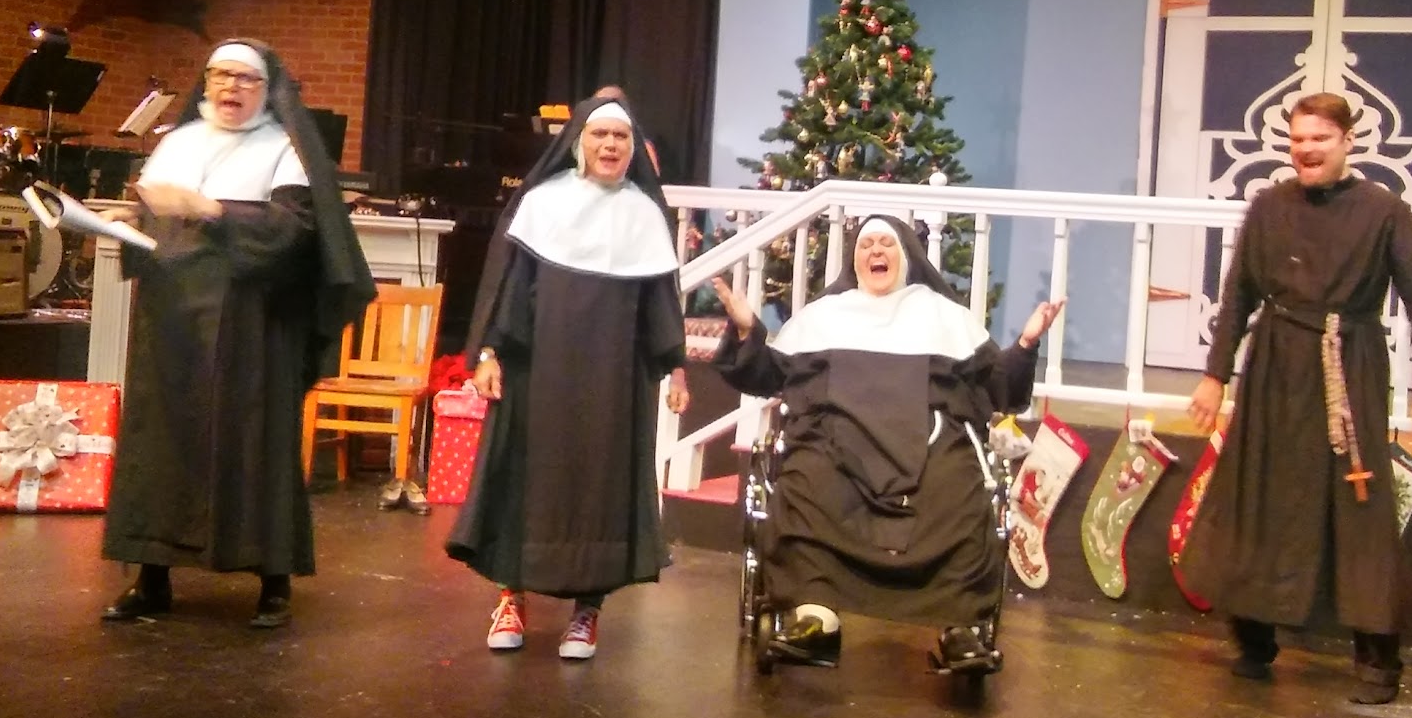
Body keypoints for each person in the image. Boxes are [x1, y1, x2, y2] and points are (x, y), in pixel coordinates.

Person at [1178, 91, 1412, 704]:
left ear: (1347, 142)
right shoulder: (1268, 207)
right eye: (1297, 139)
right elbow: (1238, 292)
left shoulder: (1384, 212)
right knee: (1261, 494)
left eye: (1319, 138)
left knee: (1359, 504)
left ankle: (1378, 662)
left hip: (1347, 365)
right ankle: (1253, 641)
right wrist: (1216, 375)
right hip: (1275, 363)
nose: (1306, 149)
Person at [708, 213, 1063, 671]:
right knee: (808, 481)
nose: (876, 251)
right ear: (854, 260)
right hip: (832, 440)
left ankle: (958, 627)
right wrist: (747, 331)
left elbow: (997, 388)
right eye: (866, 245)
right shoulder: (822, 316)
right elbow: (769, 375)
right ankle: (816, 616)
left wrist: (1026, 344)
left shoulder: (945, 317)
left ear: (907, 257)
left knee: (956, 486)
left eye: (886, 244)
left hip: (928, 439)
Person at [101, 39, 374, 628]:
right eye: (220, 75)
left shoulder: (284, 148)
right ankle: (152, 578)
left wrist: (215, 212)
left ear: (267, 90)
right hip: (170, 316)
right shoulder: (177, 143)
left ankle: (273, 582)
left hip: (252, 320)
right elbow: (159, 214)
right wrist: (133, 217)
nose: (231, 87)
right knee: (162, 441)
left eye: (246, 79)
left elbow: (295, 231)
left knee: (255, 442)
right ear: (205, 82)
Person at [446, 92, 691, 659]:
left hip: (614, 376)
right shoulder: (542, 202)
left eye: (621, 137)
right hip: (538, 368)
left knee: (600, 484)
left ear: (634, 149)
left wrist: (675, 369)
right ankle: (511, 597)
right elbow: (510, 289)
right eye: (600, 135)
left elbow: (661, 303)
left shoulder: (644, 214)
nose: (610, 144)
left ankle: (588, 611)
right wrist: (489, 353)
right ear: (578, 142)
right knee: (523, 473)